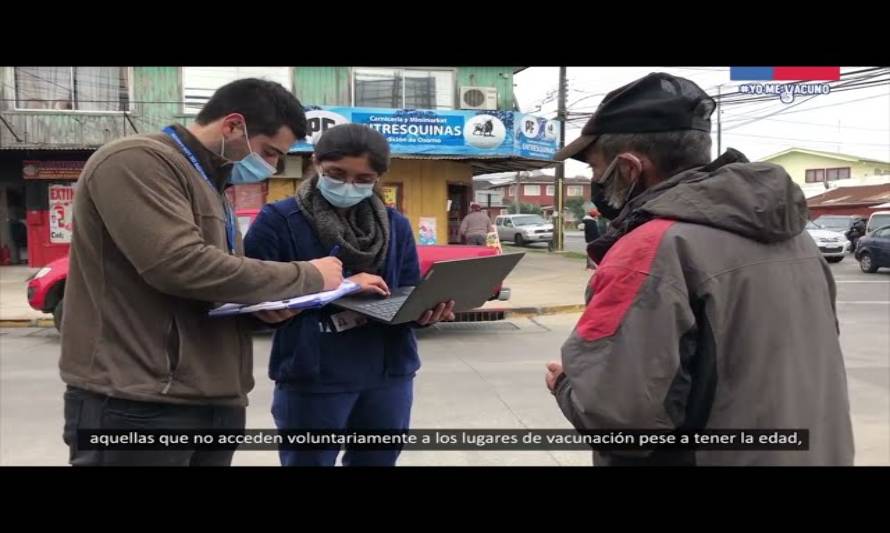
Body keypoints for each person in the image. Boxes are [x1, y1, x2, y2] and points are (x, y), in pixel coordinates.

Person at [544, 72, 853, 466]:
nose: (594, 182)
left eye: (595, 170)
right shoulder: (796, 238)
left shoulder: (650, 250)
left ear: (628, 168)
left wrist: (566, 386)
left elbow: (618, 417)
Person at [60, 78, 344, 467]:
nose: (273, 166)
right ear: (232, 126)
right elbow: (179, 265)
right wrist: (309, 276)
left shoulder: (213, 184)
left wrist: (260, 308)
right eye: (269, 152)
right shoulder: (137, 161)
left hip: (212, 394)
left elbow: (211, 284)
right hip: (139, 399)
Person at [244, 124, 455, 467]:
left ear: (378, 178)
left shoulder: (394, 224)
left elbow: (406, 290)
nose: (348, 185)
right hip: (313, 375)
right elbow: (252, 292)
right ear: (316, 163)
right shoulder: (279, 221)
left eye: (363, 178)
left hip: (388, 372)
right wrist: (338, 286)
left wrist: (426, 311)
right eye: (336, 173)